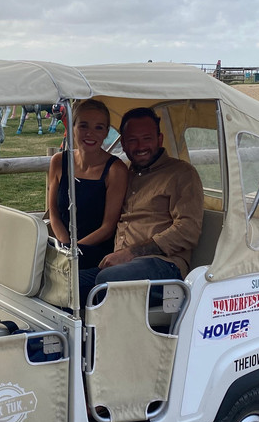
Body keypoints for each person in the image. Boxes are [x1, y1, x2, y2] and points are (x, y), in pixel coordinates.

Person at [80, 107, 204, 299]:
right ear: (123, 143)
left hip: (164, 266)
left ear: (159, 139)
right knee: (67, 282)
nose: (140, 146)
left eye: (147, 138)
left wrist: (131, 253)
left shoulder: (181, 174)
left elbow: (188, 230)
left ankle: (104, 329)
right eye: (132, 140)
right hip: (119, 264)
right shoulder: (123, 172)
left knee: (109, 281)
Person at [47, 100, 129, 296]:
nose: (90, 134)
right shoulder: (59, 162)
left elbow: (108, 227)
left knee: (59, 286)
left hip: (95, 251)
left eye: (98, 127)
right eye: (83, 126)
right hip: (63, 245)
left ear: (106, 132)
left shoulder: (116, 170)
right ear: (72, 127)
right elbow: (54, 213)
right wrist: (65, 246)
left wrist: (75, 249)